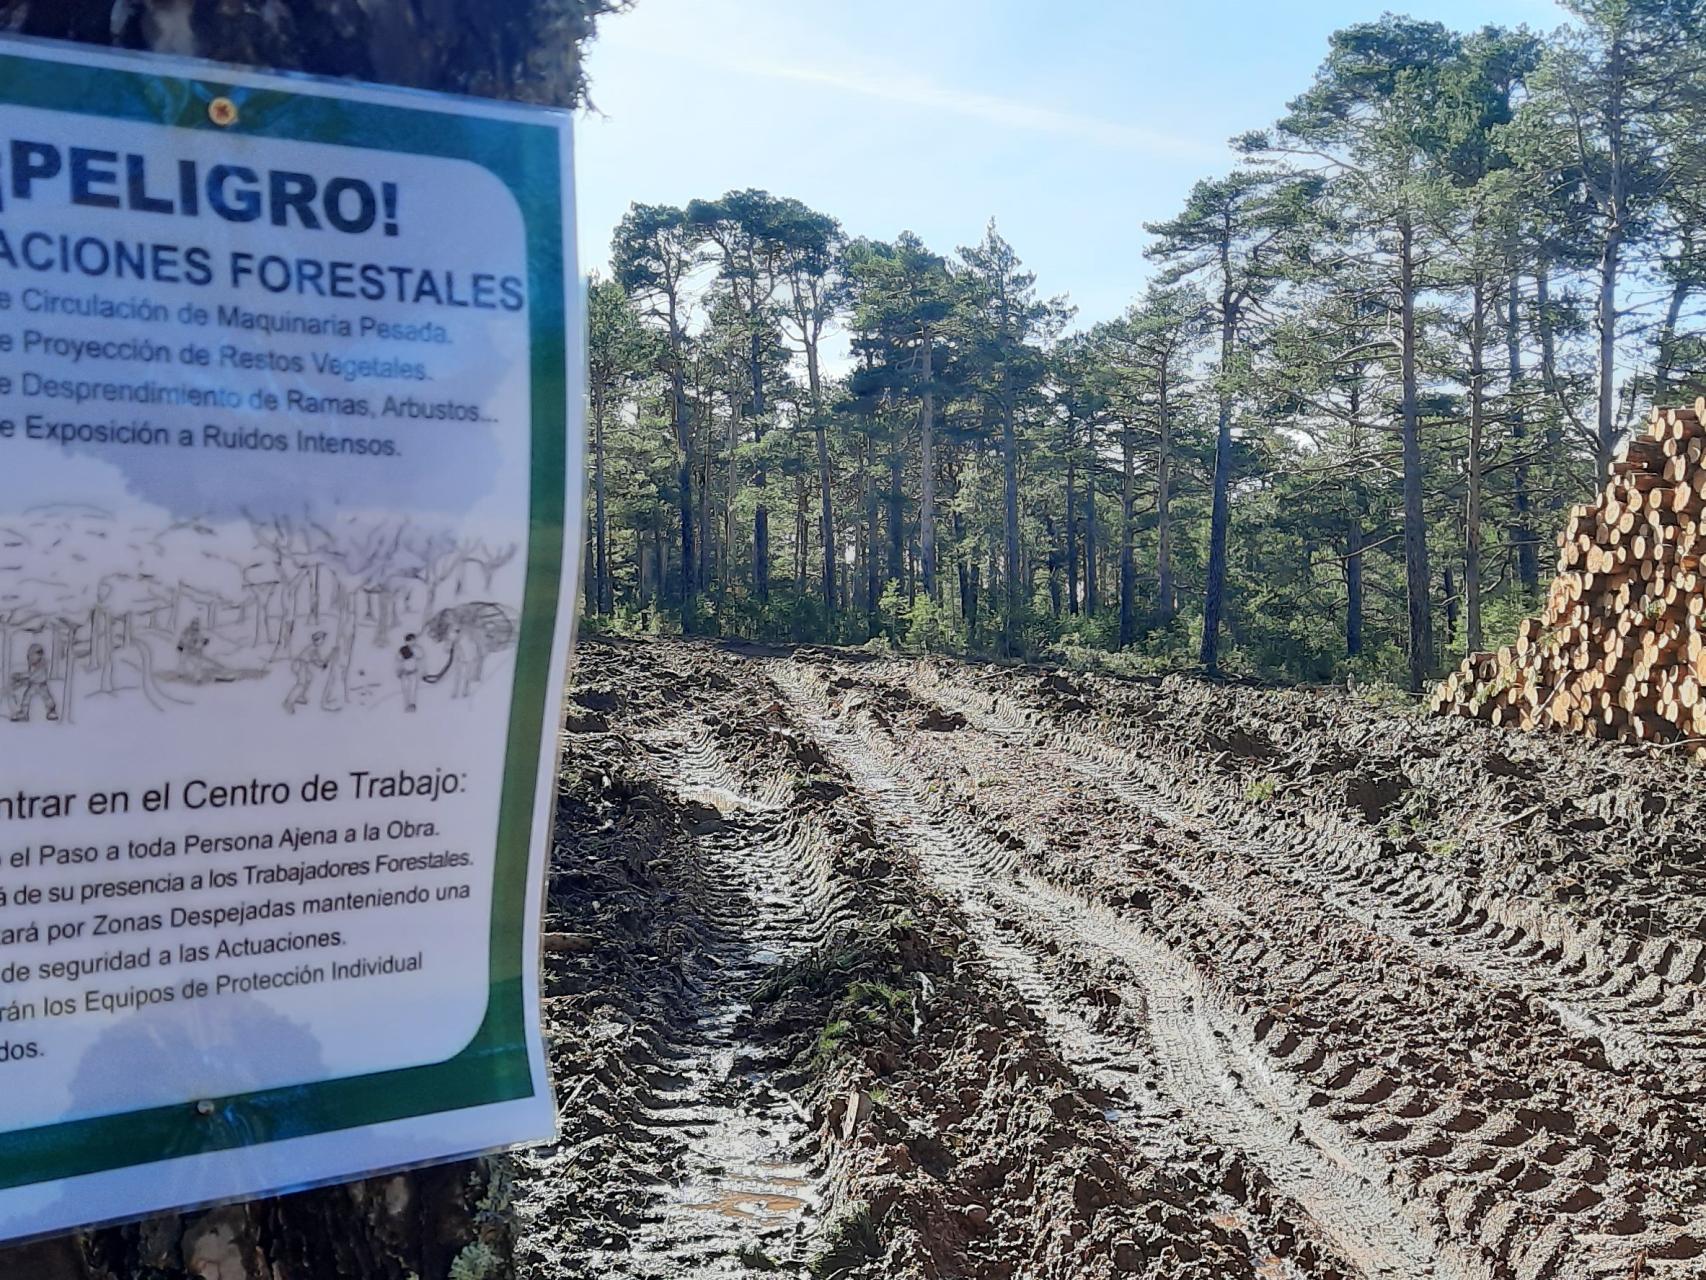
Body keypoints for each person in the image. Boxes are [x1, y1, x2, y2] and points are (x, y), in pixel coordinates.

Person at [10, 644, 58, 723]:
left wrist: (21, 676)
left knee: (47, 698)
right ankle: (24, 713)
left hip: (41, 685)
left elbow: (33, 675)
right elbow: (30, 675)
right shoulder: (33, 664)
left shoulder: (42, 665)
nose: (30, 659)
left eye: (31, 656)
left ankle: (51, 711)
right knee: (26, 697)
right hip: (33, 685)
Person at [284, 632, 329, 714]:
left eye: (323, 639)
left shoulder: (314, 648)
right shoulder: (313, 649)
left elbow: (317, 660)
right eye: (322, 639)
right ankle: (288, 702)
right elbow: (316, 661)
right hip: (300, 664)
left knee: (309, 678)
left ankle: (300, 696)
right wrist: (323, 664)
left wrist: (323, 663)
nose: (323, 641)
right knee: (301, 684)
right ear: (317, 640)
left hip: (302, 665)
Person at [396, 633, 420, 712]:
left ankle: (412, 705)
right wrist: (399, 671)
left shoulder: (417, 649)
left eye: (413, 640)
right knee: (406, 690)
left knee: (413, 689)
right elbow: (398, 661)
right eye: (410, 641)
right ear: (406, 641)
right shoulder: (402, 650)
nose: (412, 642)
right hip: (404, 673)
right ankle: (406, 706)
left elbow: (420, 658)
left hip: (413, 673)